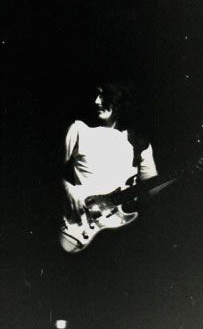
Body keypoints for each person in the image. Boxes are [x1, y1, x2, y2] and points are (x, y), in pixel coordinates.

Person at [62, 80, 158, 222]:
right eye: (96, 95)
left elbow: (151, 188)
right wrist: (69, 191)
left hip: (124, 225)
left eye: (104, 96)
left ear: (119, 99)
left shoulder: (138, 141)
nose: (96, 101)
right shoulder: (79, 130)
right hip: (82, 223)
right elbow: (53, 171)